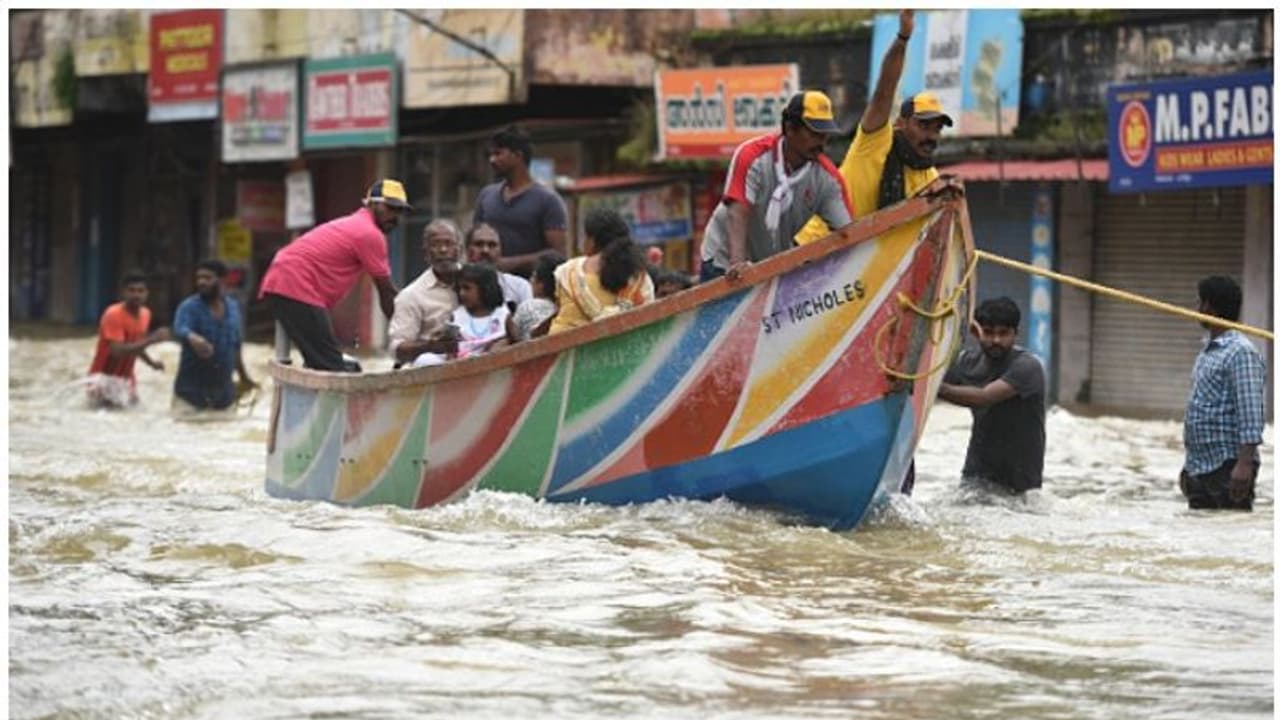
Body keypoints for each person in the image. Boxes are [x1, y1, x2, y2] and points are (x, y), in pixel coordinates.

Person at [795, 10, 950, 243]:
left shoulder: (930, 180)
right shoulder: (876, 142)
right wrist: (903, 39)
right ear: (900, 123)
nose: (931, 136)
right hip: (812, 250)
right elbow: (884, 92)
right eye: (924, 126)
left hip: (859, 266)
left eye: (937, 129)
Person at [699, 90, 853, 282]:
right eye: (814, 134)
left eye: (825, 135)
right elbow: (738, 211)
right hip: (723, 262)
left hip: (771, 267)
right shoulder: (752, 155)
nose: (821, 142)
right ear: (789, 128)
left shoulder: (828, 179)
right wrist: (737, 264)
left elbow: (848, 232)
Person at [259, 178, 409, 371]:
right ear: (371, 204)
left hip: (284, 280)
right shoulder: (370, 234)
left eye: (400, 211)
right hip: (295, 285)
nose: (395, 216)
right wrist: (408, 334)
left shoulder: (357, 224)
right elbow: (387, 293)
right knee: (329, 365)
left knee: (322, 359)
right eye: (390, 208)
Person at [937, 297, 1046, 495]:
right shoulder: (966, 363)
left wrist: (932, 386)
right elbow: (930, 378)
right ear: (975, 332)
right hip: (976, 475)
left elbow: (984, 397)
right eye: (988, 332)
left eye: (1003, 334)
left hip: (1020, 485)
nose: (996, 340)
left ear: (1016, 334)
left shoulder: (1028, 367)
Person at [1179, 276, 1267, 511]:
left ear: (1209, 307)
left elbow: (1251, 413)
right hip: (1200, 467)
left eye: (1200, 303)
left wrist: (1244, 464)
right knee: (1202, 542)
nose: (1197, 309)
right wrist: (1189, 468)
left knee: (1231, 533)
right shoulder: (1209, 351)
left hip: (1228, 466)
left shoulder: (1240, 352)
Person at [473, 125, 569, 277]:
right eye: (491, 155)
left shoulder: (548, 200)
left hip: (531, 289)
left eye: (498, 154)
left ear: (518, 156)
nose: (492, 160)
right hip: (491, 287)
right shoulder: (486, 195)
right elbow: (474, 241)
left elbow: (559, 254)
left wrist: (511, 263)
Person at [549, 207, 654, 334]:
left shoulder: (569, 271)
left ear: (592, 240)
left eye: (585, 237)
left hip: (565, 349)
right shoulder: (639, 276)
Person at [171, 259, 257, 413]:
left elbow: (236, 345)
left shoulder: (233, 308)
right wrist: (193, 338)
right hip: (190, 395)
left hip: (224, 396)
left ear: (222, 280)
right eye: (198, 278)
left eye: (207, 278)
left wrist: (244, 377)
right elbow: (180, 328)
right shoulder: (189, 307)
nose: (201, 282)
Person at [86, 271, 170, 407]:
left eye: (140, 291)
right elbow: (117, 350)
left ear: (147, 293)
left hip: (126, 378)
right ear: (123, 293)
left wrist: (151, 363)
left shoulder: (145, 314)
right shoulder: (113, 314)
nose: (136, 295)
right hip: (102, 378)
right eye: (131, 291)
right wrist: (152, 339)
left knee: (134, 414)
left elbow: (136, 345)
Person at [387, 219, 464, 368]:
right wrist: (429, 346)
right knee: (426, 361)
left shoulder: (477, 281)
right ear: (426, 253)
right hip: (435, 364)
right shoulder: (411, 295)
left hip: (477, 355)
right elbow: (396, 349)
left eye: (448, 243)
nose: (443, 250)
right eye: (435, 245)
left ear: (460, 249)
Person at [411, 264, 510, 367]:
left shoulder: (503, 314)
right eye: (459, 289)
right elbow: (451, 350)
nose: (462, 293)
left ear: (485, 289)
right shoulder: (457, 316)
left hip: (493, 365)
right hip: (460, 366)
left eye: (467, 288)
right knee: (424, 359)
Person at [465, 222, 532, 306]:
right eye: (479, 244)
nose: (485, 250)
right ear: (467, 250)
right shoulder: (455, 287)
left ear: (500, 251)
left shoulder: (519, 287)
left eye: (492, 245)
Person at [507, 252, 563, 343]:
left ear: (541, 284)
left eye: (533, 276)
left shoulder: (530, 306)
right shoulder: (569, 307)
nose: (530, 281)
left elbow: (514, 337)